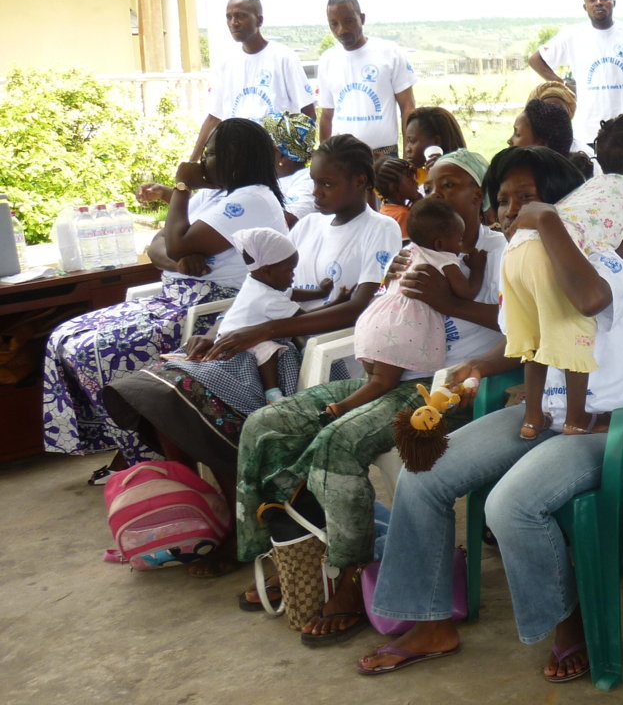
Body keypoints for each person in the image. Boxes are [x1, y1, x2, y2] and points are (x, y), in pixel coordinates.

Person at [355, 148, 623, 684]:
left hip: (619, 428)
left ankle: (570, 622)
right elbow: (526, 339)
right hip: (549, 417)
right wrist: (480, 367)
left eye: (528, 198)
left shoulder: (601, 258)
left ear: (564, 203)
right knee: (424, 472)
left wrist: (550, 223)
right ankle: (430, 622)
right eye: (504, 201)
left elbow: (588, 300)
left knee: (510, 505)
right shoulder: (526, 263)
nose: (512, 211)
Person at [103, 134, 402, 577]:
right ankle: (206, 508)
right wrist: (217, 331)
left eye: (327, 184)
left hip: (316, 350)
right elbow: (261, 285)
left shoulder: (381, 229)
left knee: (196, 393)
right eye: (314, 183)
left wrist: (266, 330)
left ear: (360, 181)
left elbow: (358, 307)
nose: (317, 193)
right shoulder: (308, 226)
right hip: (270, 336)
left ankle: (239, 528)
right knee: (161, 390)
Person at [232, 148, 499, 640]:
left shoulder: (498, 251)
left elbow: (526, 327)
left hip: (448, 388)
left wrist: (446, 301)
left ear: (478, 194)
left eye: (451, 185)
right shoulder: (421, 244)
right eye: (431, 186)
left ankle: (352, 572)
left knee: (338, 443)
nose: (437, 195)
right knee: (265, 424)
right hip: (391, 372)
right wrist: (390, 287)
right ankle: (289, 552)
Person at [43, 118, 288, 471]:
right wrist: (178, 259)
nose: (201, 162)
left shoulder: (251, 198)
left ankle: (146, 457)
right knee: (63, 336)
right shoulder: (215, 194)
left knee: (90, 350)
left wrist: (181, 187)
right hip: (175, 298)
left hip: (210, 307)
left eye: (210, 154)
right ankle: (134, 449)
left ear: (234, 156)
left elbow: (173, 241)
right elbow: (157, 244)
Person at [501, 169, 623, 438]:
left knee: (534, 343)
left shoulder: (575, 207)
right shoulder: (595, 246)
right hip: (545, 253)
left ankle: (533, 418)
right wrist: (547, 220)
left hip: (516, 252)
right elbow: (589, 302)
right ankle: (577, 418)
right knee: (576, 338)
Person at [327, 197, 485, 421]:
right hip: (401, 328)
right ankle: (341, 408)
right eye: (458, 240)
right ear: (440, 243)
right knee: (383, 382)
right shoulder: (445, 259)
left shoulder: (407, 252)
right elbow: (467, 292)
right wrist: (478, 269)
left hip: (375, 319)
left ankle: (358, 406)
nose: (460, 246)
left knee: (374, 380)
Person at [189, 0, 315, 162]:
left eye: (241, 16)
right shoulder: (226, 62)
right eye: (229, 17)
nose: (234, 22)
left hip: (275, 164)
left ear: (259, 20)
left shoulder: (284, 57)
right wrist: (191, 162)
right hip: (236, 162)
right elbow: (214, 117)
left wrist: (295, 157)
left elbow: (308, 112)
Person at [529, 0, 623, 145]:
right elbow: (535, 60)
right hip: (586, 133)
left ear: (613, 3)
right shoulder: (573, 36)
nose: (599, 2)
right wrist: (562, 84)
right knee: (588, 163)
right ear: (585, 7)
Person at [210, 227, 322, 404]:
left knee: (290, 331)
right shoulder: (268, 298)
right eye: (290, 270)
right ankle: (272, 392)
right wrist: (338, 303)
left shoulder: (256, 281)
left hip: (232, 331)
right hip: (235, 340)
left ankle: (305, 351)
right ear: (267, 271)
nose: (293, 276)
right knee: (268, 348)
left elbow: (292, 293)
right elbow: (305, 320)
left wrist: (321, 293)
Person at [317, 0, 417, 158]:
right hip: (342, 159)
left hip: (384, 156)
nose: (341, 30)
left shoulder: (389, 53)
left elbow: (407, 107)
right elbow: (327, 115)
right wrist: (323, 158)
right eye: (334, 24)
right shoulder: (328, 59)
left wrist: (409, 156)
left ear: (362, 18)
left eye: (348, 21)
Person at [373, 106, 470, 230]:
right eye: (406, 141)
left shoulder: (462, 181)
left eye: (412, 141)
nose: (407, 149)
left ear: (436, 142)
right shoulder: (414, 184)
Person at [263, 111, 321, 224]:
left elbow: (288, 222)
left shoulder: (308, 182)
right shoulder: (271, 177)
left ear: (282, 156)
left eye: (262, 146)